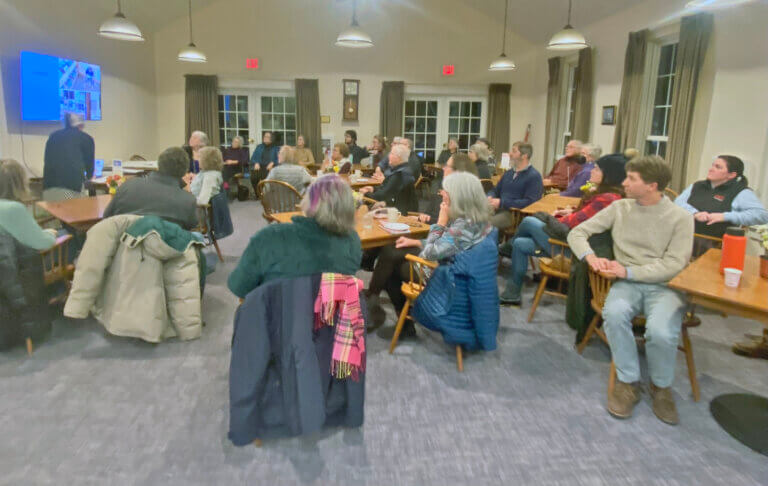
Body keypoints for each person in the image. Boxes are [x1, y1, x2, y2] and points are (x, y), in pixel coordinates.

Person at [567, 155, 694, 425]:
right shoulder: (620, 207)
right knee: (614, 315)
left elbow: (674, 265)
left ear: (652, 186)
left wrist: (630, 271)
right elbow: (576, 233)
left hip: (665, 287)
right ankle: (628, 381)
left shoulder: (681, 218)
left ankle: (661, 387)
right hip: (626, 283)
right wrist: (590, 257)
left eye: (631, 179)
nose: (623, 182)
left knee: (660, 331)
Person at [365, 152, 479, 330]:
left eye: (447, 166)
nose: (443, 168)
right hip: (445, 260)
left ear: (458, 172)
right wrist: (420, 240)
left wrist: (436, 225)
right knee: (392, 251)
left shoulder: (462, 208)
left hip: (445, 271)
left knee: (392, 263)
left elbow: (443, 248)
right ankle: (383, 307)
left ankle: (395, 316)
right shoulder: (464, 200)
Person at [376, 172, 494, 340]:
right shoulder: (474, 218)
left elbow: (430, 254)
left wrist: (440, 222)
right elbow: (448, 245)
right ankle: (379, 301)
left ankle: (406, 324)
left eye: (445, 191)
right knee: (394, 251)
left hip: (449, 279)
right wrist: (417, 243)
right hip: (460, 272)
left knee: (392, 271)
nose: (441, 193)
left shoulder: (463, 225)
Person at [499, 154, 627, 306]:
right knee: (520, 243)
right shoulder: (608, 195)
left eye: (597, 169)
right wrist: (570, 212)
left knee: (529, 220)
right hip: (567, 243)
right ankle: (512, 294)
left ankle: (506, 249)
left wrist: (551, 218)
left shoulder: (607, 199)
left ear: (609, 175)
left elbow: (568, 225)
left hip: (575, 251)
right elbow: (581, 217)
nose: (592, 171)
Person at [228, 174, 362, 297]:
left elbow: (239, 287)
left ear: (308, 201)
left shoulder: (270, 237)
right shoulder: (353, 241)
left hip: (277, 318)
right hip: (329, 319)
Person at [0, 159, 59, 350]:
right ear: (18, 183)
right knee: (69, 239)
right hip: (19, 275)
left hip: (6, 276)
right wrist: (52, 233)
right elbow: (41, 242)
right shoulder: (13, 209)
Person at [103, 147, 198, 230]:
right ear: (185, 171)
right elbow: (192, 224)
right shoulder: (188, 200)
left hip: (124, 247)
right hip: (165, 249)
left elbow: (107, 217)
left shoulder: (128, 186)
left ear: (158, 165)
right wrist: (186, 189)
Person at [675, 155, 768, 238]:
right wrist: (695, 213)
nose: (711, 169)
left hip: (716, 243)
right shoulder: (697, 185)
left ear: (731, 175)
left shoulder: (741, 192)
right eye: (712, 165)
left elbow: (762, 215)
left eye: (718, 167)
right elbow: (678, 203)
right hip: (686, 236)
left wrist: (724, 216)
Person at [488, 142, 543, 230]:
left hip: (514, 215)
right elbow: (495, 190)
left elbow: (530, 203)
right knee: (471, 218)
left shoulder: (534, 176)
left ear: (524, 156)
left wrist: (502, 203)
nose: (510, 154)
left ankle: (491, 243)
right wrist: (490, 197)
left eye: (514, 151)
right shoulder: (509, 173)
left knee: (487, 224)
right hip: (497, 209)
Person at [42, 113, 95, 200]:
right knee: (80, 210)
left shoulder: (53, 136)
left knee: (54, 213)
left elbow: (46, 160)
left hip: (48, 189)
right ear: (81, 124)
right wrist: (89, 176)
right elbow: (90, 169)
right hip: (71, 190)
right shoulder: (86, 139)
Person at [358, 144, 417, 214]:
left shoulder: (400, 174)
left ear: (398, 157)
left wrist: (366, 193)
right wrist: (373, 189)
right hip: (394, 207)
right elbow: (388, 189)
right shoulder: (403, 170)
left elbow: (382, 196)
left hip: (399, 214)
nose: (388, 156)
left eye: (391, 153)